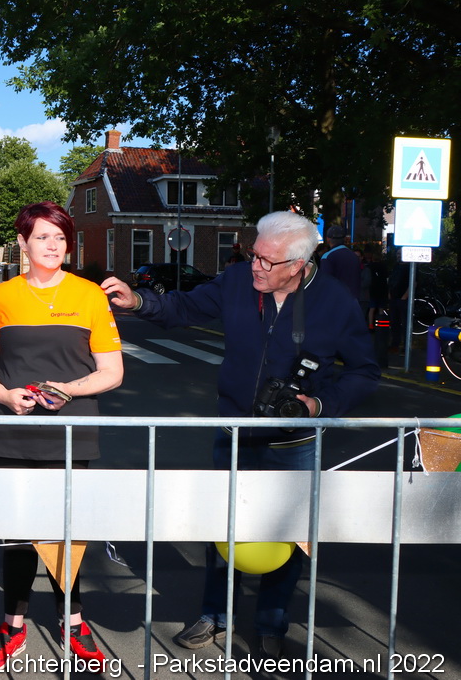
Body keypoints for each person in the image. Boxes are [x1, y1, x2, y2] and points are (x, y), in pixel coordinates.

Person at [101, 211, 380, 660]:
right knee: (223, 529)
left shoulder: (335, 301)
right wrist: (137, 301)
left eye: (268, 261)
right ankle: (215, 615)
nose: (256, 266)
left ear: (298, 264)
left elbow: (365, 372)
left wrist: (318, 404)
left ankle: (271, 625)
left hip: (295, 441)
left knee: (287, 538)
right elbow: (183, 308)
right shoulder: (236, 281)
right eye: (255, 255)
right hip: (233, 432)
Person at [0, 201, 123, 672]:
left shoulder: (89, 295)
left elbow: (112, 371)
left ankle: (72, 620)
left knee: (66, 534)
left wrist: (67, 390)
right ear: (23, 242)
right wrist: (5, 396)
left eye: (60, 237)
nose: (53, 246)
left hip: (71, 434)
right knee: (15, 534)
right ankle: (12, 624)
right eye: (42, 237)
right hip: (10, 431)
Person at [319, 225, 361, 299]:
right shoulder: (354, 256)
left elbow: (325, 282)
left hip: (335, 300)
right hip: (353, 299)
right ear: (344, 239)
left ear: (328, 239)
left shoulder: (327, 257)